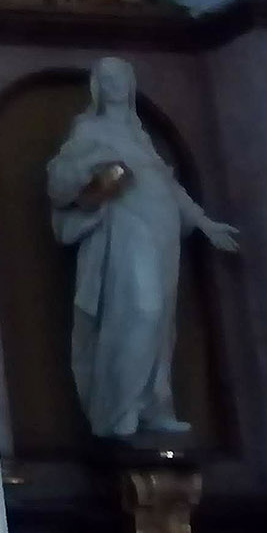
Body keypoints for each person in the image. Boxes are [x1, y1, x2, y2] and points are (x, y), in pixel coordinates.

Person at [45, 56, 238, 441]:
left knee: (161, 320)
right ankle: (118, 409)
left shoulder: (139, 132)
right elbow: (61, 180)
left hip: (161, 229)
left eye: (121, 76)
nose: (116, 83)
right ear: (98, 85)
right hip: (124, 229)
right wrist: (95, 170)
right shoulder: (89, 128)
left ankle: (154, 404)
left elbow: (166, 184)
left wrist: (204, 222)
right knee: (139, 310)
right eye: (108, 77)